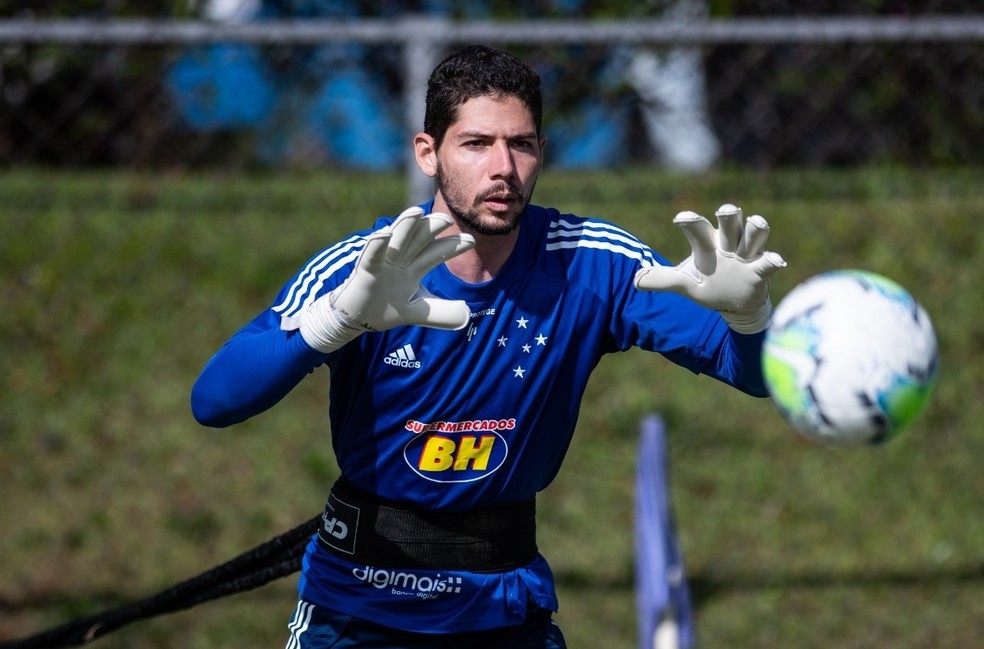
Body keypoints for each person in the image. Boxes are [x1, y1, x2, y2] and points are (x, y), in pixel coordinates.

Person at [191, 44, 785, 648]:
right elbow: (213, 401)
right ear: (429, 153)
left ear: (540, 153)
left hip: (504, 610)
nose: (503, 166)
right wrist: (334, 323)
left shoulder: (591, 262)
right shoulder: (367, 270)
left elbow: (762, 376)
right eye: (476, 144)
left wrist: (749, 318)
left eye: (521, 144)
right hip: (358, 608)